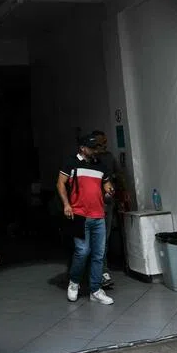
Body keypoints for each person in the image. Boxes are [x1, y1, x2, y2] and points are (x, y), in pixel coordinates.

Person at [58, 134, 115, 305]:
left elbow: (107, 186)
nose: (95, 151)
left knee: (99, 254)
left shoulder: (101, 166)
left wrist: (109, 192)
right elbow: (60, 183)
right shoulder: (71, 163)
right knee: (82, 252)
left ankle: (96, 290)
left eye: (96, 147)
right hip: (79, 215)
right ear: (83, 148)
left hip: (98, 216)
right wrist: (66, 204)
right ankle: (74, 283)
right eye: (92, 148)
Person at [91, 129, 123, 289]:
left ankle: (102, 271)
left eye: (103, 142)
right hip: (94, 205)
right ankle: (101, 272)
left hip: (108, 204)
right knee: (98, 239)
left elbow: (118, 175)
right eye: (98, 142)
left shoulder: (109, 157)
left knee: (104, 238)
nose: (102, 145)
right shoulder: (89, 159)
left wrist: (123, 193)